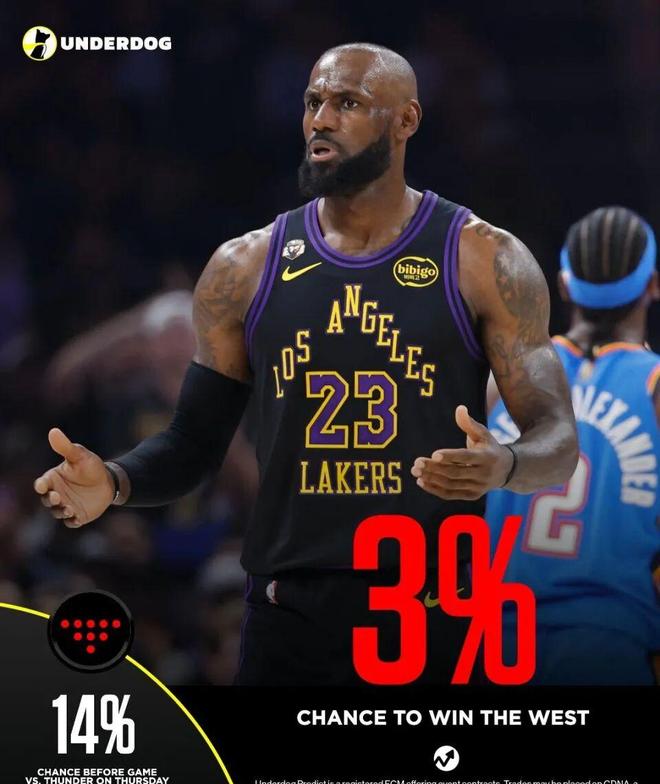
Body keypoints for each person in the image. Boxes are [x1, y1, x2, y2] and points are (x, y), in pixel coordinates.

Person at [34, 43, 577, 686]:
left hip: (432, 611)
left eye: (348, 103)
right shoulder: (244, 267)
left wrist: (506, 463)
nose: (321, 119)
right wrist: (116, 480)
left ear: (406, 120)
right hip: (289, 615)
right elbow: (193, 444)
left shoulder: (483, 258)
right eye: (313, 102)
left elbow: (558, 439)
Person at [486, 206, 660, 685]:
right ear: (653, 286)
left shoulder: (504, 379)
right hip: (609, 640)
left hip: (495, 643)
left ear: (562, 285)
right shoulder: (654, 388)